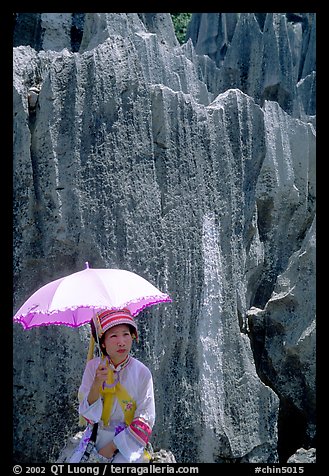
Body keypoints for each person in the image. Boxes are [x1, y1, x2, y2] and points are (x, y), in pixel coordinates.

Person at [69, 308, 155, 463]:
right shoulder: (93, 367)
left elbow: (145, 418)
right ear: (103, 343)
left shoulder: (142, 372)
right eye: (114, 336)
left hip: (127, 443)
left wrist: (111, 448)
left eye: (126, 334)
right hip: (95, 437)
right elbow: (88, 416)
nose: (121, 342)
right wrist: (96, 384)